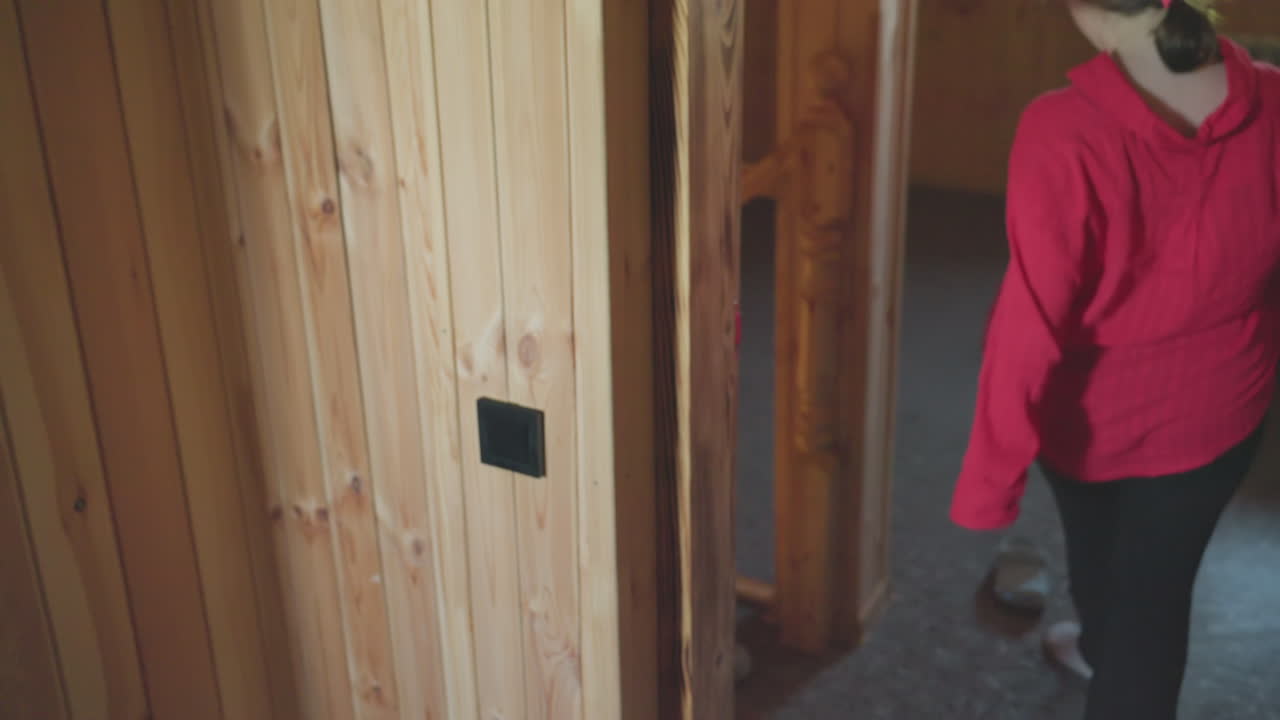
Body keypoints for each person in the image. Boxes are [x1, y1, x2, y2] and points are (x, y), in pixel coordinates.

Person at [951, 0, 1278, 717]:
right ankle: (1105, 645)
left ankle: (1108, 648)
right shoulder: (1276, 100)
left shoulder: (1059, 127)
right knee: (1153, 596)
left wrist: (988, 483)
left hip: (1091, 417)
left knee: (1105, 565)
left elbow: (1028, 323)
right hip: (1221, 411)